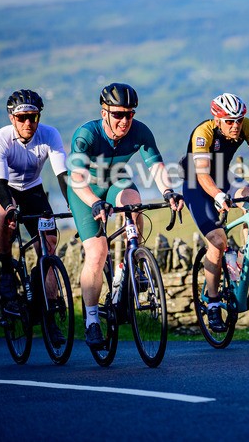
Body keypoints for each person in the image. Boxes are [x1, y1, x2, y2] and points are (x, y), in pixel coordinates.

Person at [68, 83, 183, 349]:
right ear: (104, 112)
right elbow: (76, 179)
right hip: (85, 190)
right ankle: (92, 320)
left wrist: (168, 191)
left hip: (116, 180)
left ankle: (133, 262)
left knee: (134, 202)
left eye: (129, 114)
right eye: (118, 114)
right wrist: (96, 203)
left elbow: (156, 165)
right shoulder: (86, 134)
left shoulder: (140, 130)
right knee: (97, 253)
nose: (124, 120)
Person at [0, 89, 69, 344]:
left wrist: (73, 203)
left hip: (32, 189)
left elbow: (62, 175)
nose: (28, 123)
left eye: (33, 117)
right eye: (22, 118)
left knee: (50, 245)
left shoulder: (50, 135)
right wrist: (9, 208)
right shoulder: (0, 139)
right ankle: (7, 269)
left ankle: (48, 316)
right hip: (2, 186)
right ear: (12, 118)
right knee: (3, 216)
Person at [182, 93, 249, 332]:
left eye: (239, 120)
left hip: (223, 176)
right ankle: (213, 301)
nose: (236, 125)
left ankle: (245, 255)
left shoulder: (246, 126)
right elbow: (202, 175)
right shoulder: (204, 132)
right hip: (196, 183)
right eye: (229, 121)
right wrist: (217, 195)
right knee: (217, 241)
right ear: (217, 120)